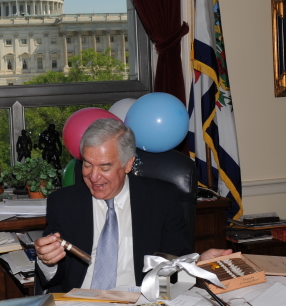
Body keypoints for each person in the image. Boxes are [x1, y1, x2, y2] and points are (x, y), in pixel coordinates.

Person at [34, 119, 231, 293]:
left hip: (139, 303)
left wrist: (197, 263)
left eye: (105, 167)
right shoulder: (62, 202)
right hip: (81, 305)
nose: (93, 177)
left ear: (128, 164)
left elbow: (174, 262)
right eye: (87, 164)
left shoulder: (161, 198)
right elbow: (54, 279)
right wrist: (47, 261)